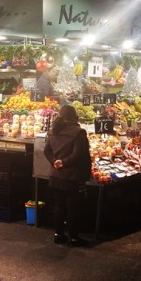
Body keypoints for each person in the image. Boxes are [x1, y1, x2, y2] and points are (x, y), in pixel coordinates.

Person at [44, 104, 91, 247]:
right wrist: (63, 163)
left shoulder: (53, 131)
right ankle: (74, 238)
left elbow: (47, 151)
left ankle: (58, 234)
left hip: (56, 175)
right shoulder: (78, 132)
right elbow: (78, 155)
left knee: (59, 205)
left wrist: (55, 162)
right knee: (72, 207)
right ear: (74, 117)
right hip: (71, 176)